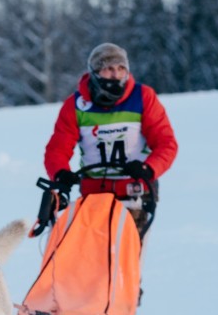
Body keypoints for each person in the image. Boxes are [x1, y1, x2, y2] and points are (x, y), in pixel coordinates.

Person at [43, 42, 178, 239]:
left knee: (125, 258)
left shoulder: (143, 97)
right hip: (94, 193)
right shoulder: (76, 105)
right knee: (91, 258)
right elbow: (57, 148)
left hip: (136, 192)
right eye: (108, 69)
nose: (115, 75)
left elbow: (166, 143)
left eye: (121, 69)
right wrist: (60, 173)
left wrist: (148, 169)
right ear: (95, 73)